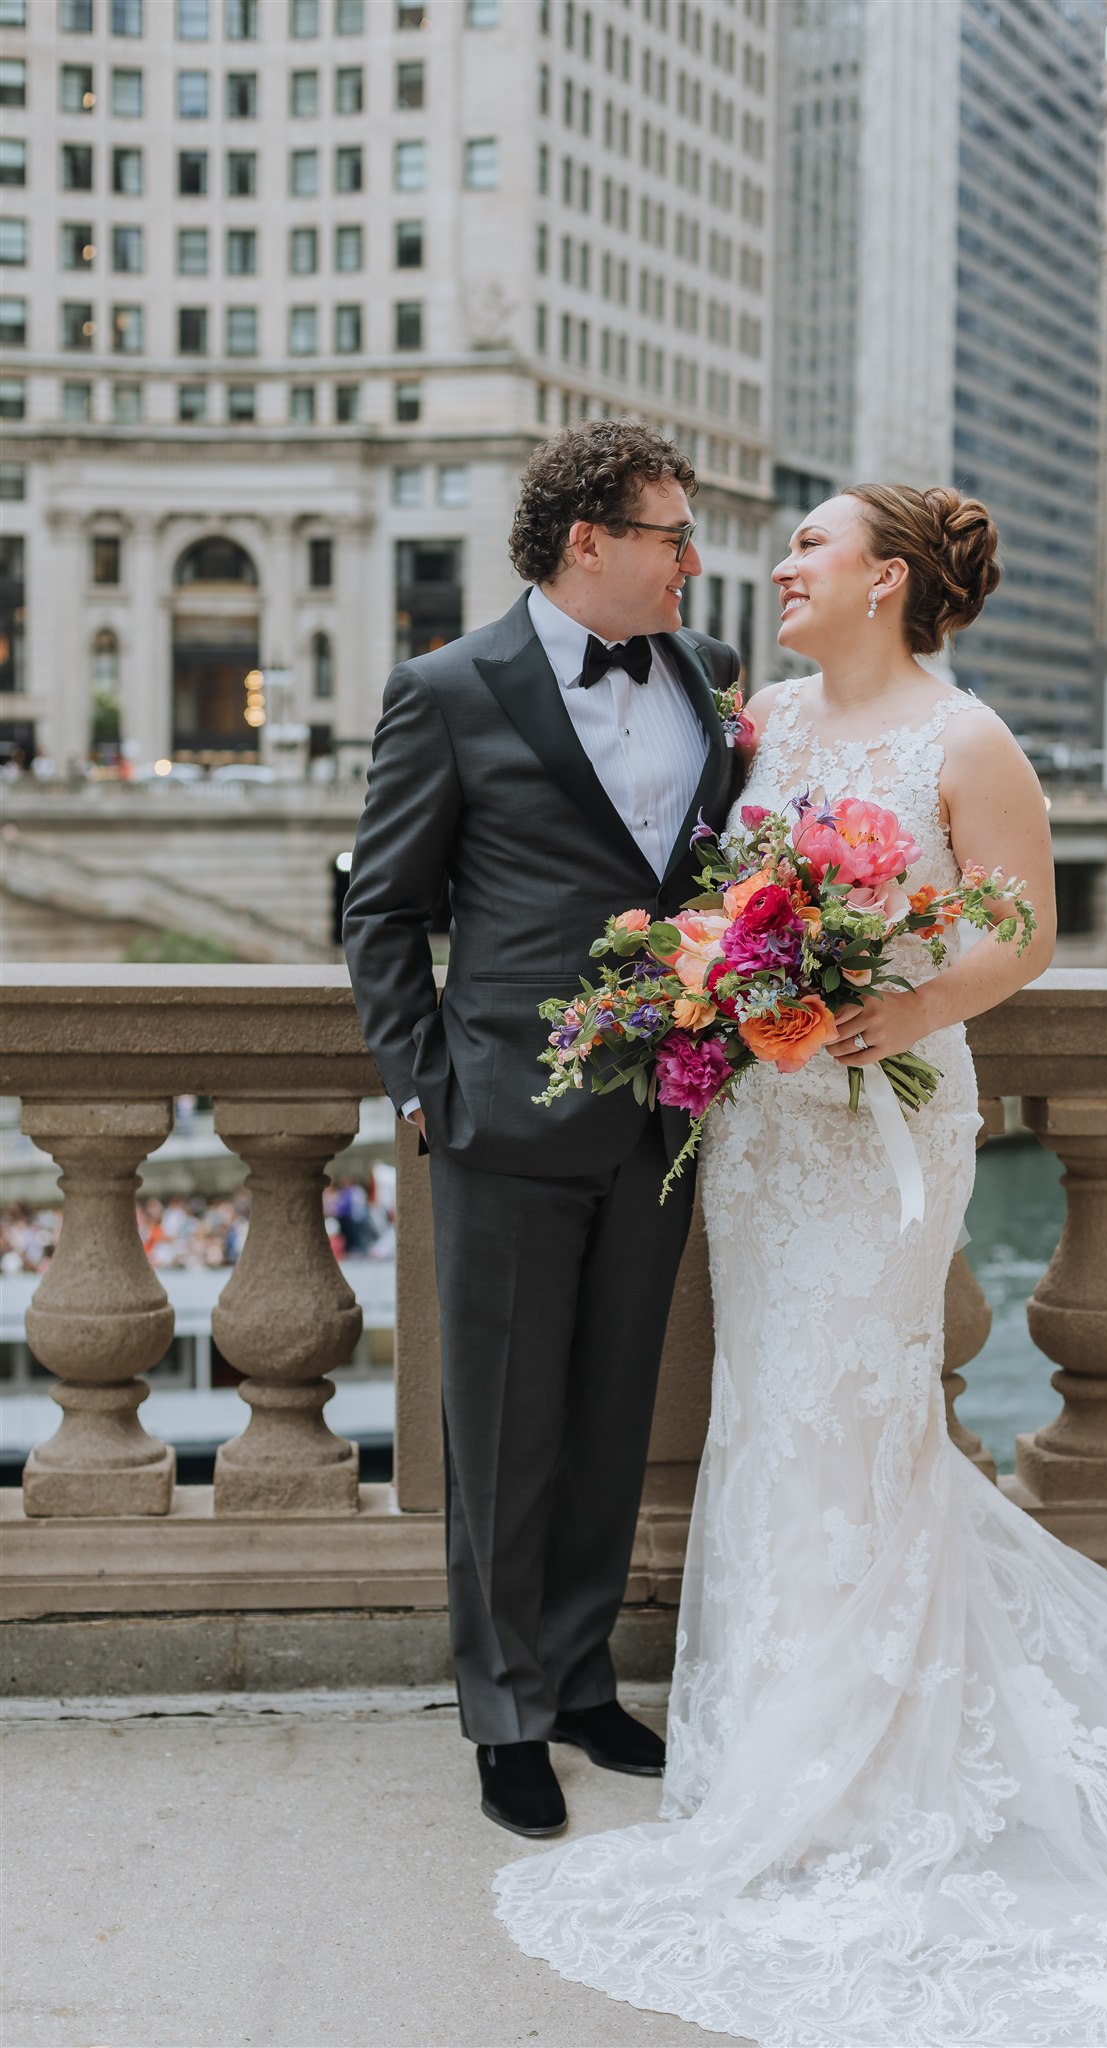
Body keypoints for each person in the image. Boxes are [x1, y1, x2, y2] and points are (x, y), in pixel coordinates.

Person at [492, 485, 1107, 2046]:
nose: (779, 566)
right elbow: (718, 898)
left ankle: (848, 1762)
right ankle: (787, 1734)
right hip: (765, 1125)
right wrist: (717, 977)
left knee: (853, 1415)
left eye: (809, 549)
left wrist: (897, 1010)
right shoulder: (752, 724)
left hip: (885, 1122)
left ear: (884, 580)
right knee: (777, 1415)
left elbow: (1017, 932)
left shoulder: (965, 740)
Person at [343, 421, 741, 1840]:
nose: (693, 559)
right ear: (590, 541)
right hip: (502, 1118)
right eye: (671, 534)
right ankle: (503, 1712)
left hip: (662, 1114)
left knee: (607, 1420)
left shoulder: (703, 677)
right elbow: (383, 913)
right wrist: (425, 1091)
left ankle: (577, 1682)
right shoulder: (446, 690)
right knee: (501, 1435)